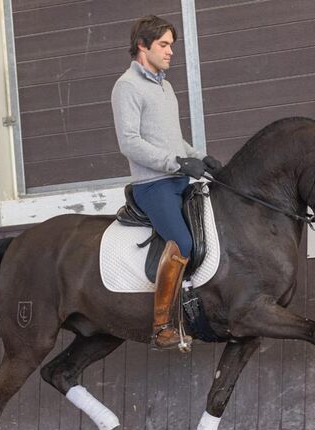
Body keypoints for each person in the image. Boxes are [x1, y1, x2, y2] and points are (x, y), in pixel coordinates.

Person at [111, 15, 222, 349]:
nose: (170, 52)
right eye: (163, 45)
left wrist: (200, 157)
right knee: (182, 242)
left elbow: (175, 141)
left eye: (171, 45)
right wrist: (175, 162)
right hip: (153, 186)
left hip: (178, 179)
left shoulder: (164, 85)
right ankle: (162, 326)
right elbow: (129, 143)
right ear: (142, 46)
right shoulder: (126, 87)